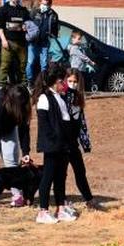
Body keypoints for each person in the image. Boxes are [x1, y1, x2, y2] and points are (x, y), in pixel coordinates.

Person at [35, 62, 76, 224]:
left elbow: (65, 120)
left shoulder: (60, 98)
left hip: (63, 145)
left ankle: (60, 208)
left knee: (60, 177)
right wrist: (54, 142)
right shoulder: (45, 98)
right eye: (62, 81)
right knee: (48, 177)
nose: (64, 84)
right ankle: (43, 211)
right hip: (52, 145)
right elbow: (45, 125)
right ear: (56, 82)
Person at [64, 70, 101, 211]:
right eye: (70, 81)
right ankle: (61, 201)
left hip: (73, 142)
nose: (72, 84)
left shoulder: (78, 98)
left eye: (75, 82)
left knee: (80, 171)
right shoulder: (62, 97)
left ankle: (89, 199)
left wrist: (85, 143)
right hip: (62, 142)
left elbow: (82, 122)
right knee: (61, 174)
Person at [0, 0, 30, 85]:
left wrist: (26, 26)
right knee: (5, 65)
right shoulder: (3, 10)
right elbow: (0, 27)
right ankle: (2, 86)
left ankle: (23, 85)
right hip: (8, 41)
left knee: (22, 66)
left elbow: (29, 24)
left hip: (21, 43)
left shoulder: (23, 10)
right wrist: (3, 40)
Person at [27, 0, 60, 82]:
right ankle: (29, 81)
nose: (43, 5)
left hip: (44, 42)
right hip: (33, 41)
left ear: (49, 5)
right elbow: (28, 23)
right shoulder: (35, 12)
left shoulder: (53, 15)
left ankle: (43, 81)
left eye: (45, 4)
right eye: (42, 3)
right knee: (30, 62)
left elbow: (55, 29)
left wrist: (53, 35)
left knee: (44, 64)